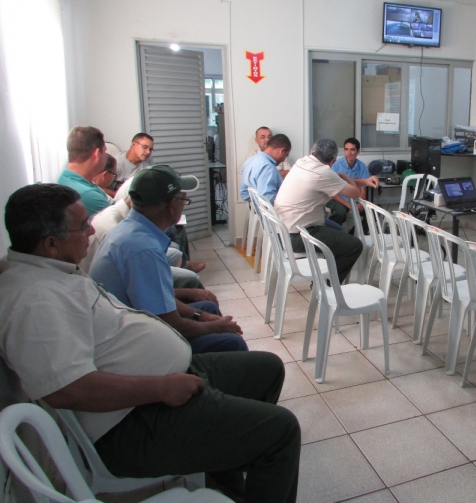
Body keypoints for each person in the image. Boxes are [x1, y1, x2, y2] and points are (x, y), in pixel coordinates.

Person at [0, 184, 301, 503]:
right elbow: (68, 389)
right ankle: (248, 452)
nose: (92, 230)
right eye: (83, 225)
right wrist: (162, 388)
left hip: (158, 385)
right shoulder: (35, 300)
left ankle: (229, 469)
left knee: (267, 367)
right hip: (134, 420)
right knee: (281, 431)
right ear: (51, 243)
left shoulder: (53, 272)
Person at [90, 165, 247, 353]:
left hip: (131, 323)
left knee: (207, 308)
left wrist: (201, 315)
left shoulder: (130, 231)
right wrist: (216, 327)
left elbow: (157, 297)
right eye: (184, 200)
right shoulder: (143, 250)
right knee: (232, 342)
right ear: (172, 205)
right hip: (133, 344)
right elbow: (171, 323)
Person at [275, 139, 378, 283]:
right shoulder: (322, 173)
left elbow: (335, 183)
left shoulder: (302, 162)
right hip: (299, 235)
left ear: (312, 152)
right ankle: (327, 286)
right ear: (333, 161)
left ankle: (324, 275)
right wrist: (345, 177)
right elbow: (355, 192)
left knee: (339, 230)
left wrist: (365, 181)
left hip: (284, 229)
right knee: (355, 246)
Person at [57, 126, 112, 216]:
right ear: (97, 154)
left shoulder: (65, 177)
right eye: (105, 152)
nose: (106, 156)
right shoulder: (88, 195)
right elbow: (119, 223)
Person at [326, 137, 370, 227]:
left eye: (352, 150)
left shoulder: (362, 166)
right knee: (340, 213)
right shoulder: (336, 165)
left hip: (354, 199)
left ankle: (357, 234)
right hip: (336, 198)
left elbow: (363, 189)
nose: (349, 153)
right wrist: (348, 205)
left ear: (358, 151)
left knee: (370, 212)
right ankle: (331, 232)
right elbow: (332, 191)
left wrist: (361, 204)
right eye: (346, 149)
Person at [239, 134, 291, 204]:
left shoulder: (250, 161)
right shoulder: (268, 167)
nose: (284, 160)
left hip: (256, 208)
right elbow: (267, 199)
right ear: (281, 151)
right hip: (273, 209)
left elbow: (244, 194)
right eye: (286, 155)